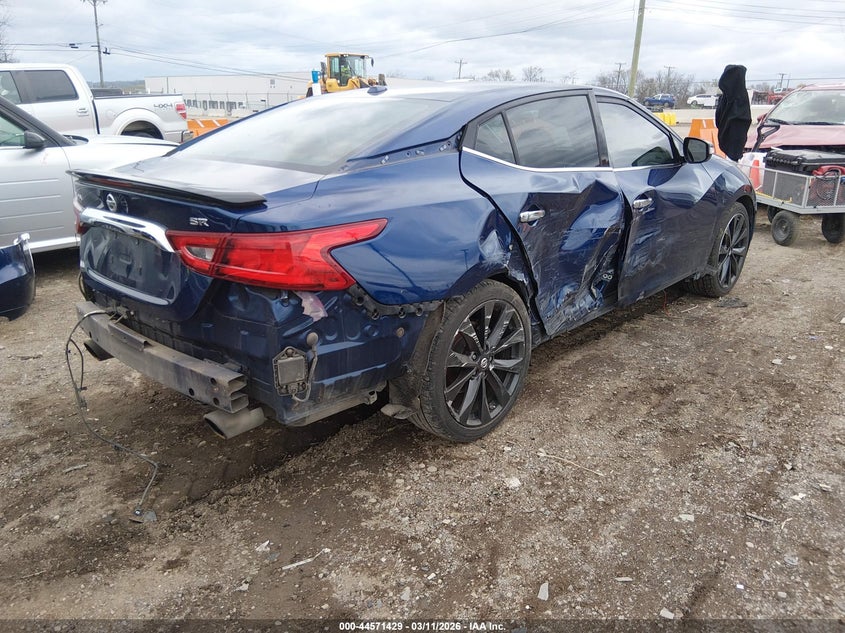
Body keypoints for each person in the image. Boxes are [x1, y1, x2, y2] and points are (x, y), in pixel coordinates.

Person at [715, 64, 752, 161]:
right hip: (727, 138)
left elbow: (719, 118)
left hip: (734, 140)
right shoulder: (731, 96)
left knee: (733, 160)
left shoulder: (736, 97)